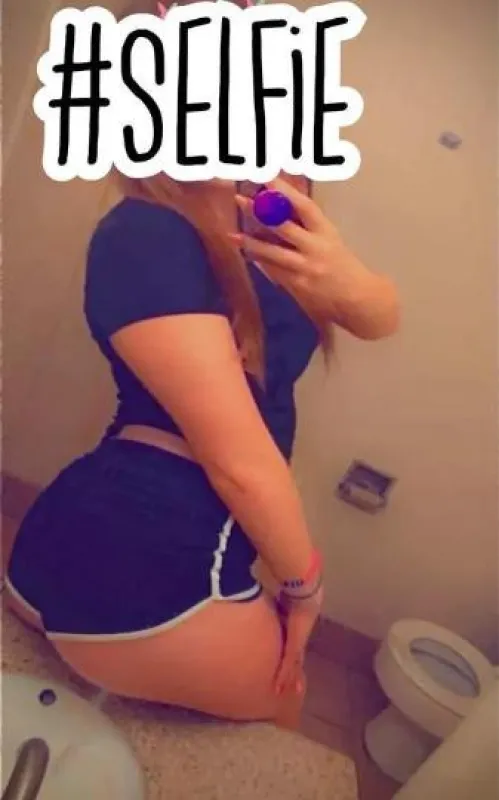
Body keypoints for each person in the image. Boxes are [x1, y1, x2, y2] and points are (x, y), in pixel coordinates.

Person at [6, 0, 399, 726]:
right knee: (287, 704)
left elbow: (380, 318)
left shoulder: (274, 238)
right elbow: (240, 466)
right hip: (146, 559)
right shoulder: (145, 234)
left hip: (80, 531)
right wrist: (305, 590)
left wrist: (352, 281)